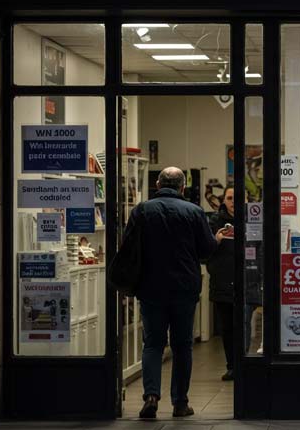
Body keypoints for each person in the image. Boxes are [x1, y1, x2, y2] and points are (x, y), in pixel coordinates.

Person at [124, 167, 217, 419]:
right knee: (182, 345)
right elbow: (206, 250)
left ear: (157, 183)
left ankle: (151, 396)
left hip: (151, 287)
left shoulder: (142, 210)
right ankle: (180, 403)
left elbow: (128, 247)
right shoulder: (194, 212)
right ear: (183, 187)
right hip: (184, 288)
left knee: (153, 343)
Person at [206, 186, 237, 381]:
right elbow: (203, 251)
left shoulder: (253, 219)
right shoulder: (214, 221)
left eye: (237, 197)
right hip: (222, 282)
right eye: (230, 197)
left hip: (246, 281)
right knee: (227, 328)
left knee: (244, 327)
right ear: (223, 200)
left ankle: (245, 364)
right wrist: (215, 241)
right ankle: (232, 366)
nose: (234, 201)